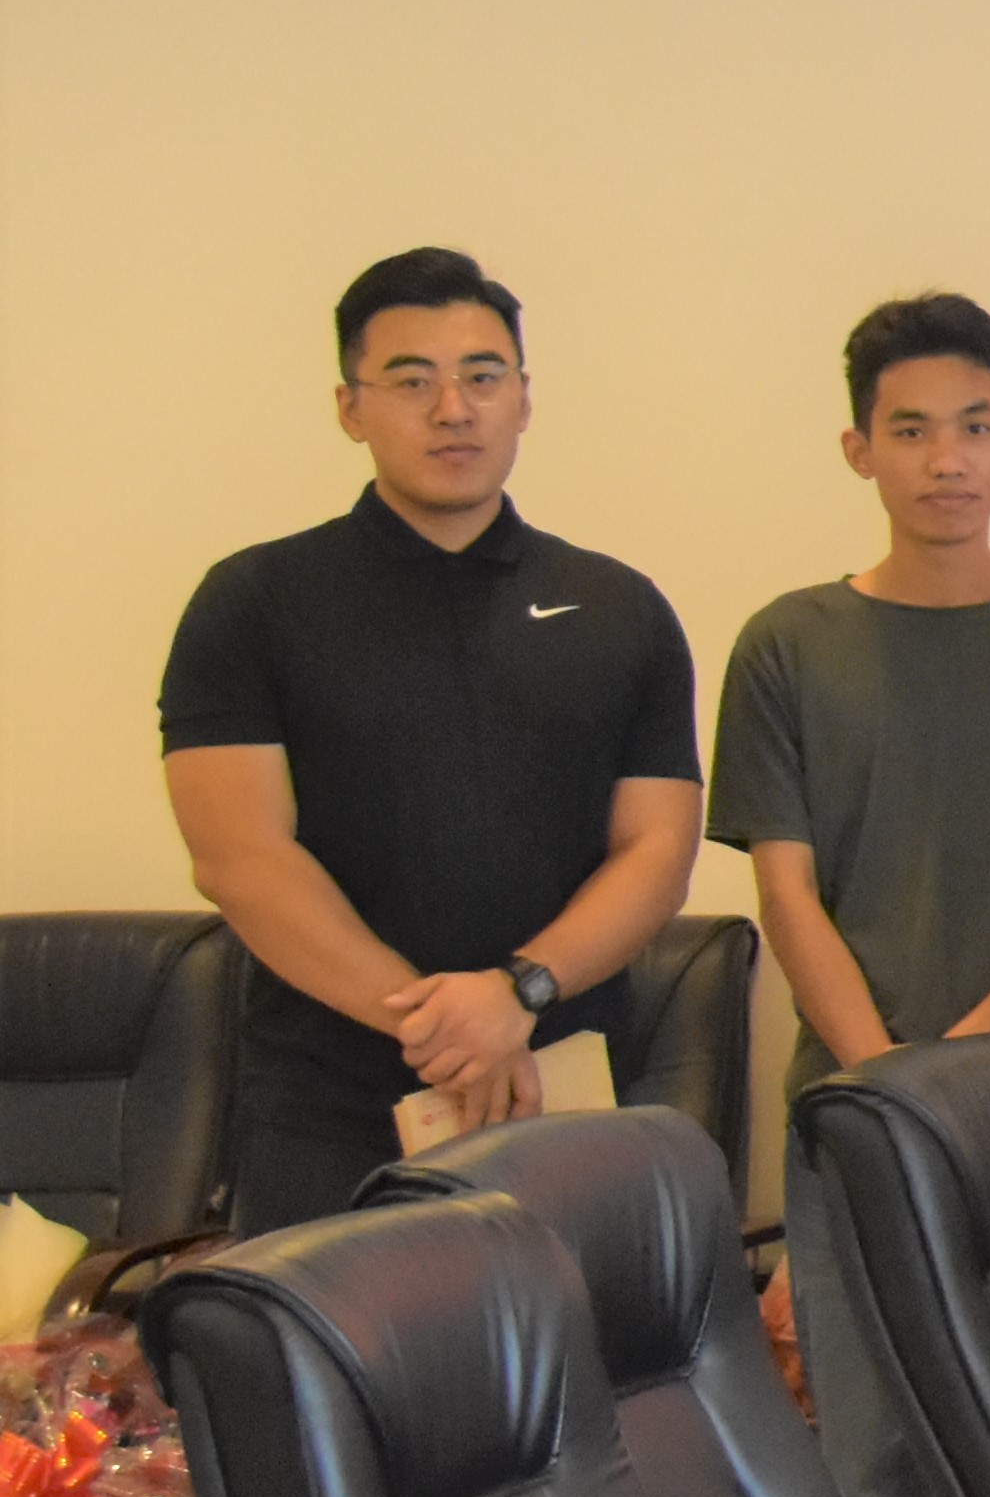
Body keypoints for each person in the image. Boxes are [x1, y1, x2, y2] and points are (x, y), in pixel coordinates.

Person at [160, 249, 701, 1231]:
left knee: (568, 1334)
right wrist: (447, 1027)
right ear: (349, 407)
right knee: (324, 1338)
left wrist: (518, 994)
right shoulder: (254, 601)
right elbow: (240, 857)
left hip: (560, 1089)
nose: (453, 409)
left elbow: (658, 849)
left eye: (482, 376)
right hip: (325, 1110)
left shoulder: (619, 606)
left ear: (524, 398)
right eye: (411, 381)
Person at [710, 295, 990, 1108]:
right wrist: (887, 1080)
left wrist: (961, 1065)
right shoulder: (785, 643)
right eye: (911, 431)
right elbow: (787, 895)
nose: (947, 460)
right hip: (849, 1095)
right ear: (859, 450)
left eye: (975, 427)